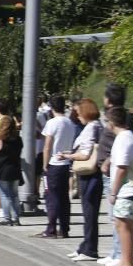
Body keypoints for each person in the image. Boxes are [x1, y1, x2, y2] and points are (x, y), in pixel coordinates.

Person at [57, 98, 104, 260]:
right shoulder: (95, 126)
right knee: (88, 213)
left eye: (78, 112)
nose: (77, 116)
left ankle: (90, 249)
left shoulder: (92, 127)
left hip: (90, 173)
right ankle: (85, 246)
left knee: (90, 212)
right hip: (90, 174)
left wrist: (67, 155)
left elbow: (86, 153)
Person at [96, 84, 133, 266]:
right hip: (110, 171)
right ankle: (115, 252)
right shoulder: (120, 116)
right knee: (115, 217)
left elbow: (121, 151)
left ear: (108, 99)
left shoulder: (120, 120)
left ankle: (119, 255)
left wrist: (108, 161)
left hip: (115, 174)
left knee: (117, 217)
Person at [105, 106, 133, 266]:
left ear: (112, 122)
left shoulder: (123, 139)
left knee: (123, 226)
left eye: (107, 121)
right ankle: (124, 261)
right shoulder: (128, 137)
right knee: (124, 225)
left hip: (128, 189)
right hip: (132, 189)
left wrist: (113, 192)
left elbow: (122, 167)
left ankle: (128, 264)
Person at [36, 95, 75, 238]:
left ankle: (51, 228)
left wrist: (45, 165)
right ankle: (64, 228)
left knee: (51, 197)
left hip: (54, 163)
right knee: (64, 197)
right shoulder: (69, 123)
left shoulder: (52, 123)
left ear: (52, 108)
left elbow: (47, 146)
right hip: (66, 163)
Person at [0, 114, 23, 226]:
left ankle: (7, 218)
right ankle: (16, 218)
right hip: (15, 169)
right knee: (15, 195)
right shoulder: (18, 140)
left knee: (5, 195)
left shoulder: (0, 141)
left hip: (2, 171)